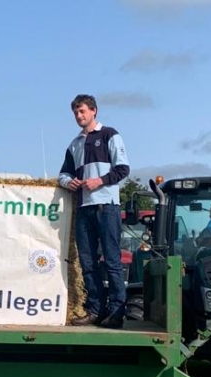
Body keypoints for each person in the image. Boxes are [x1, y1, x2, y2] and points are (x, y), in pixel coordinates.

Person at [58, 94, 130, 328]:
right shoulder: (74, 144)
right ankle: (95, 309)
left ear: (94, 111)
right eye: (76, 113)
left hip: (106, 206)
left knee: (112, 260)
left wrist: (99, 181)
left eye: (83, 112)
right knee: (88, 263)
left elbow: (123, 169)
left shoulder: (110, 134)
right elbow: (63, 174)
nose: (79, 116)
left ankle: (118, 310)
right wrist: (70, 183)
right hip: (84, 208)